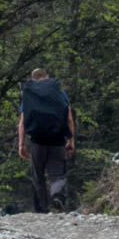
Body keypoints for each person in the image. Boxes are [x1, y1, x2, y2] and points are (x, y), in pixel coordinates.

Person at [17, 67, 75, 213]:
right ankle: (57, 196)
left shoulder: (29, 95)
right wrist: (71, 140)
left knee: (38, 176)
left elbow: (22, 122)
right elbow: (69, 119)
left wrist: (21, 144)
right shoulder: (60, 93)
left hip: (37, 141)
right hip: (57, 141)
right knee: (57, 174)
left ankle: (43, 210)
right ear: (47, 77)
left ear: (33, 79)